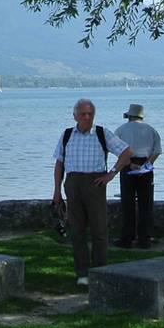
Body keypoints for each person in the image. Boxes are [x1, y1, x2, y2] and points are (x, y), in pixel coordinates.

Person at [52, 98, 132, 288]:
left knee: (99, 230)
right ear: (75, 116)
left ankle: (100, 271)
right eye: (83, 114)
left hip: (95, 183)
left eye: (90, 114)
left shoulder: (102, 133)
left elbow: (127, 153)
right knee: (77, 230)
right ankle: (82, 273)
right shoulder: (67, 135)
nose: (87, 117)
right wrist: (56, 190)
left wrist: (111, 174)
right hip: (72, 183)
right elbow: (59, 163)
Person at [114, 103, 162, 248]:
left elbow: (116, 149)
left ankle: (127, 238)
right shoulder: (151, 130)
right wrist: (146, 165)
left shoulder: (121, 130)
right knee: (145, 203)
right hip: (146, 166)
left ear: (128, 116)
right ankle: (144, 238)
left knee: (127, 203)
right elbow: (157, 151)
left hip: (127, 165)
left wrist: (129, 164)